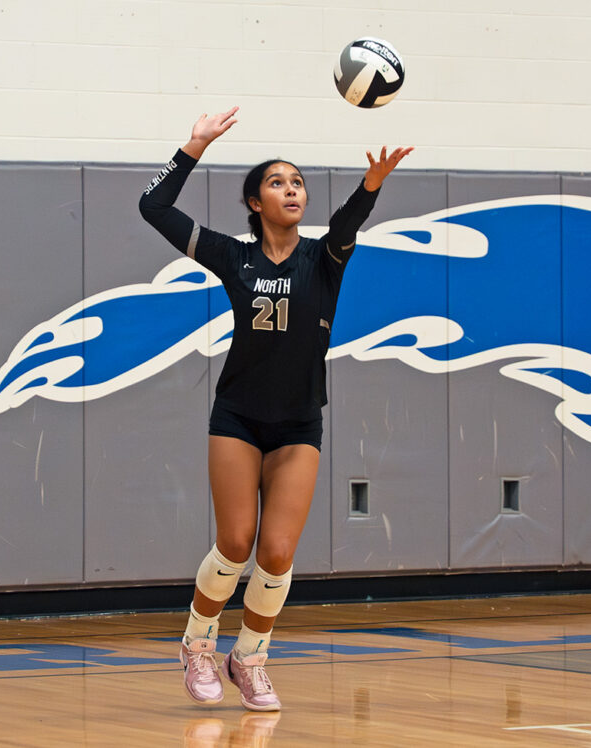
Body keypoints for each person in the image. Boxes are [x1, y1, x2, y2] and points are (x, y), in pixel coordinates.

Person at [139, 107, 412, 710]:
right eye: (277, 183)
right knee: (235, 543)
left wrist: (370, 186)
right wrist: (193, 146)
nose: (291, 190)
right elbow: (153, 209)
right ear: (255, 203)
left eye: (297, 183)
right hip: (237, 417)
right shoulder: (234, 258)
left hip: (297, 423)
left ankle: (250, 657)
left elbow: (346, 223)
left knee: (278, 553)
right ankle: (197, 644)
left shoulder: (325, 258)